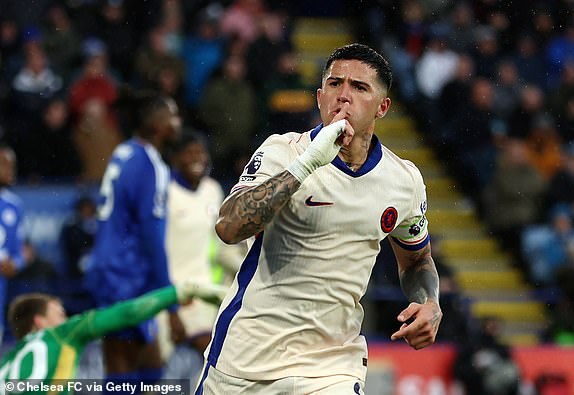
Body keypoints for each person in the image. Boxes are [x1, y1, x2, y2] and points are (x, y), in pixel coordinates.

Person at [196, 43, 442, 394]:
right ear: (319, 97)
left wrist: (430, 301)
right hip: (246, 360)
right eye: (334, 84)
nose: (343, 96)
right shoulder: (283, 152)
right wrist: (307, 164)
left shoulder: (403, 181)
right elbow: (229, 227)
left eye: (359, 88)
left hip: (331, 367)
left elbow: (417, 259)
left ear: (382, 107)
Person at [83, 92, 181, 392]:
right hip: (125, 275)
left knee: (148, 363)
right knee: (123, 366)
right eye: (172, 116)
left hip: (107, 265)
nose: (177, 123)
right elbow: (151, 236)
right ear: (156, 124)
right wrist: (170, 300)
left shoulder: (123, 152)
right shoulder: (151, 166)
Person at [0, 280, 228, 394]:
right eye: (59, 314)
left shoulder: (6, 364)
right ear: (39, 323)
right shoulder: (61, 334)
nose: (65, 318)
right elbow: (128, 313)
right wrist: (180, 292)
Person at [158, 132, 243, 384]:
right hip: (168, 294)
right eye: (190, 153)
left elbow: (221, 247)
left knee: (217, 360)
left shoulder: (212, 190)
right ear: (175, 158)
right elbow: (154, 250)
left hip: (202, 293)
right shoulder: (164, 193)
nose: (197, 159)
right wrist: (170, 305)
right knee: (155, 373)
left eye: (201, 153)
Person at [0, 144, 25, 344]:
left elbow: (20, 251)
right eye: (4, 164)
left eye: (12, 165)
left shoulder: (14, 205)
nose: (10, 170)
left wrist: (15, 264)